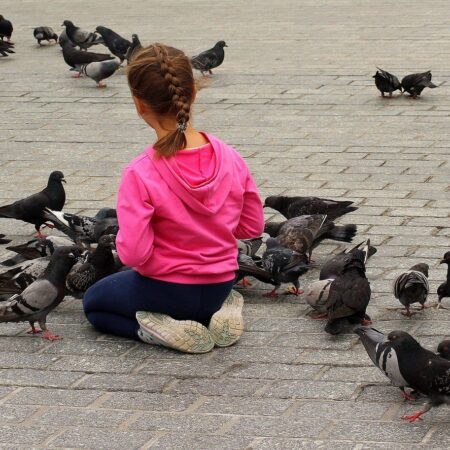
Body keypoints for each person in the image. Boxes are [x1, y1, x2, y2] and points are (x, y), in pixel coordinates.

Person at [82, 43, 264, 354]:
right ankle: (218, 313)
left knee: (94, 302)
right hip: (220, 285)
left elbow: (135, 255)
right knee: (196, 297)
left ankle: (155, 331)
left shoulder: (140, 172)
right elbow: (251, 227)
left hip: (166, 291)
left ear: (139, 104)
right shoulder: (231, 157)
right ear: (193, 92)